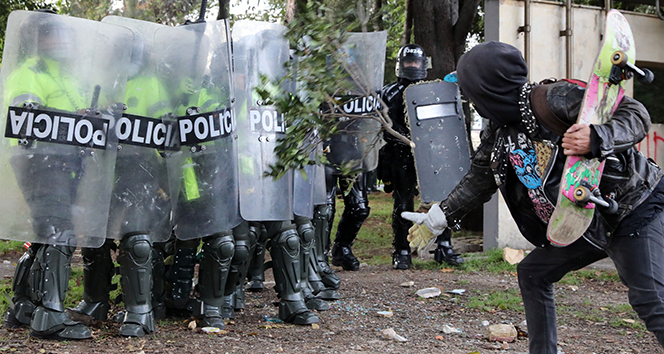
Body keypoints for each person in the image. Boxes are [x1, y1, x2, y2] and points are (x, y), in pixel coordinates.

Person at [402, 41, 664, 353]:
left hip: (633, 206)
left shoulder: (553, 98)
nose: (470, 101)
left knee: (651, 300)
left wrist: (598, 136)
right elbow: (478, 180)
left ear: (488, 89)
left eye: (471, 92)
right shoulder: (500, 134)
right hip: (583, 220)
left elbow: (634, 113)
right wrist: (437, 218)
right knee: (533, 273)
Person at [379, 44, 463, 269]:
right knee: (403, 203)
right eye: (408, 62)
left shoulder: (433, 90)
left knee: (443, 199)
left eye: (416, 62)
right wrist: (406, 140)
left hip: (431, 153)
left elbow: (443, 121)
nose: (412, 66)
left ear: (423, 65)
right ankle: (402, 250)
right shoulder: (389, 92)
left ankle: (444, 246)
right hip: (401, 155)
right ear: (400, 64)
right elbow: (386, 125)